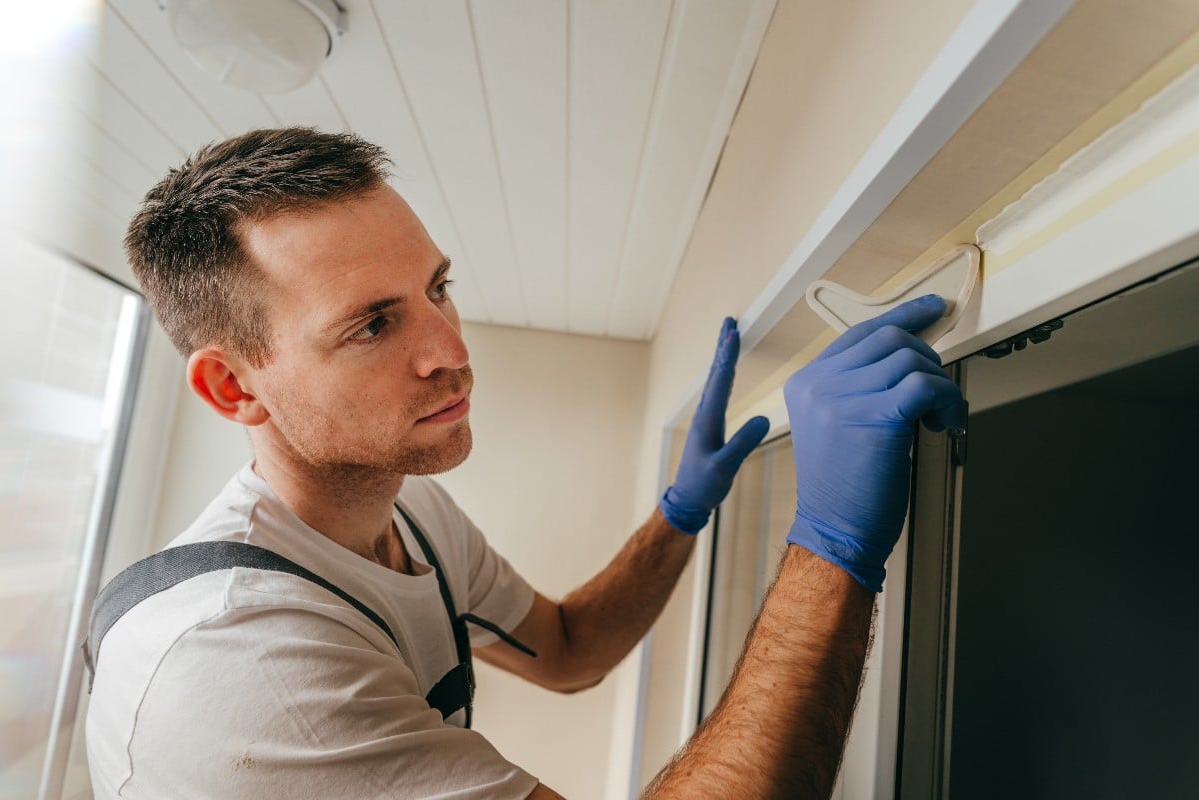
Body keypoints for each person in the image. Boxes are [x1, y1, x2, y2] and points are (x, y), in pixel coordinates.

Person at [85, 127, 964, 799]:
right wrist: (831, 546)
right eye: (373, 325)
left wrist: (682, 510)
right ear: (234, 388)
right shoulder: (240, 662)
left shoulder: (410, 514)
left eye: (438, 289)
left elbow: (571, 650)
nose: (450, 350)